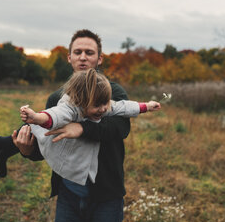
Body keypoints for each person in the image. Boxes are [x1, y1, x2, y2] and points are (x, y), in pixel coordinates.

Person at [0, 29, 139, 222]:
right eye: (77, 52)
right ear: (69, 57)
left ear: (99, 59)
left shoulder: (113, 91)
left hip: (107, 198)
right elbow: (48, 145)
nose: (83, 57)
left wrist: (81, 129)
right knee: (31, 127)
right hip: (68, 195)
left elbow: (120, 128)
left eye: (89, 53)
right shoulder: (57, 98)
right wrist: (26, 151)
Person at [19, 68, 160, 186]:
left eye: (106, 103)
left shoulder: (103, 104)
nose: (104, 109)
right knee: (21, 134)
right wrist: (36, 118)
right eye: (97, 106)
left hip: (97, 177)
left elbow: (122, 106)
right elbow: (56, 114)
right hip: (56, 145)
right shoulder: (71, 108)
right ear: (81, 101)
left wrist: (146, 106)